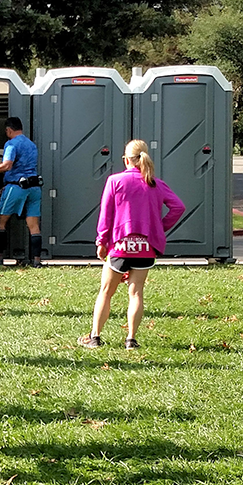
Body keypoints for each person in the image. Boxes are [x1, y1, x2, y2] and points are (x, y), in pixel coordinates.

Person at [81, 140, 185, 350]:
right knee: (136, 292)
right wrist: (158, 228)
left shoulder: (114, 181)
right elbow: (178, 207)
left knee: (106, 291)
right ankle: (131, 339)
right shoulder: (155, 183)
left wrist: (101, 241)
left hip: (120, 245)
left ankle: (95, 337)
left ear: (126, 159)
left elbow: (106, 215)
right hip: (145, 247)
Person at [0, 116, 44, 268]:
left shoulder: (11, 144)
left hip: (16, 187)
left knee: (1, 222)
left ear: (9, 130)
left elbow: (7, 165)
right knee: (34, 225)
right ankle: (37, 260)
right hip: (34, 187)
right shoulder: (32, 145)